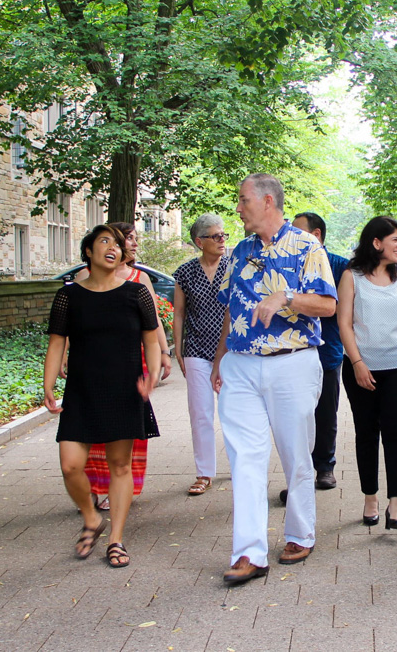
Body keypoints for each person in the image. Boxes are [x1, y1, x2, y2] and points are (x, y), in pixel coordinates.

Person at [210, 174, 338, 585]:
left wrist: (285, 297)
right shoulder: (238, 252)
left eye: (243, 200)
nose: (238, 207)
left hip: (292, 363)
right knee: (244, 458)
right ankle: (249, 552)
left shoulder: (307, 246)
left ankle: (300, 533)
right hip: (241, 366)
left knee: (296, 453)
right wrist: (219, 359)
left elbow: (328, 306)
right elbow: (229, 308)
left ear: (268, 201)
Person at [43, 224, 163, 568]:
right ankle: (91, 518)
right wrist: (49, 386)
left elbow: (151, 338)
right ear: (88, 252)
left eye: (117, 243)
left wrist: (151, 374)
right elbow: (56, 344)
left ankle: (116, 539)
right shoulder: (68, 296)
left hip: (124, 390)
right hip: (82, 391)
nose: (113, 247)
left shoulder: (135, 293)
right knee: (70, 466)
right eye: (104, 241)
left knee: (120, 466)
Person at [74, 221, 172, 510]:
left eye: (130, 240)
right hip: (92, 362)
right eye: (125, 239)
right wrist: (67, 352)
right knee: (92, 428)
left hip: (131, 360)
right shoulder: (84, 276)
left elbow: (153, 322)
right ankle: (93, 486)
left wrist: (164, 353)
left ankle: (119, 484)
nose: (131, 244)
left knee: (125, 428)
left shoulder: (139, 279)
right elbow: (73, 321)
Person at [337, 216, 397, 530]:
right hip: (361, 369)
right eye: (395, 240)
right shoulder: (352, 277)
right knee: (366, 433)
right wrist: (358, 362)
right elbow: (344, 323)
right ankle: (370, 498)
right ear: (377, 243)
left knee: (396, 434)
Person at [277, 212, 348, 501]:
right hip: (293, 351)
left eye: (297, 231)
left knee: (325, 412)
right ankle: (298, 473)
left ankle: (325, 467)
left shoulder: (342, 266)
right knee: (296, 416)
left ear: (316, 235)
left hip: (327, 349)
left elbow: (344, 309)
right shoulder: (288, 262)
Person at [173, 214, 230, 496]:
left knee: (233, 410)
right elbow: (179, 313)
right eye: (216, 236)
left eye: (224, 236)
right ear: (200, 242)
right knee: (200, 412)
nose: (222, 240)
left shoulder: (234, 267)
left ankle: (239, 464)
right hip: (196, 348)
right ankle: (204, 473)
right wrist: (179, 351)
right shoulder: (185, 273)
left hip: (231, 350)